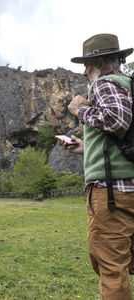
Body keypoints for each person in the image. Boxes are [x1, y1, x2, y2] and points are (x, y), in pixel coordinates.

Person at [66, 33, 134, 300]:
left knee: (110, 264)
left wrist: (80, 109)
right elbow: (125, 137)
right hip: (127, 184)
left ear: (102, 63)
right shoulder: (129, 85)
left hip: (111, 193)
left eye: (87, 65)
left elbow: (116, 120)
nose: (84, 73)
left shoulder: (105, 84)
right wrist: (85, 147)